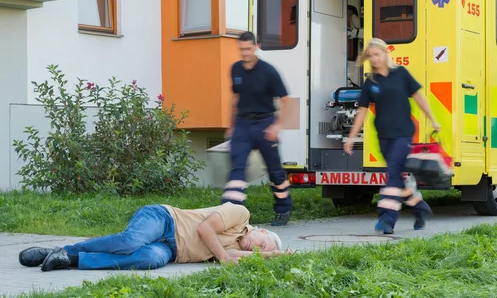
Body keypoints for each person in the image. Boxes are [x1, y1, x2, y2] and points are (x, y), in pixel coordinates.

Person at [344, 38, 441, 234]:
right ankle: (419, 207)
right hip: (384, 135)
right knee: (396, 175)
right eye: (370, 56)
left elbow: (418, 97)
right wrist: (352, 137)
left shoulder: (401, 74)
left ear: (385, 53)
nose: (374, 59)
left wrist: (433, 119)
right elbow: (362, 111)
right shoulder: (370, 82)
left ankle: (386, 219)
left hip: (403, 133)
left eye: (377, 55)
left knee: (392, 174)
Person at [18, 202, 288, 272]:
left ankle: (71, 260)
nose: (254, 248)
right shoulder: (240, 214)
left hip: (170, 251)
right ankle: (64, 250)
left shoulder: (239, 248)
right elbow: (205, 229)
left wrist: (272, 255)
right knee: (131, 241)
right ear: (261, 231)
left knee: (150, 258)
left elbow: (231, 257)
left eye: (258, 250)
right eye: (261, 243)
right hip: (165, 220)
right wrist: (223, 257)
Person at [222, 31, 292, 226]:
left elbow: (286, 102)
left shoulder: (269, 71)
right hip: (243, 125)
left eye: (248, 49)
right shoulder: (235, 69)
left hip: (265, 123)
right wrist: (231, 125)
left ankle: (283, 209)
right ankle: (230, 213)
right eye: (241, 49)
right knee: (237, 167)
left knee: (275, 170)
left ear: (256, 46)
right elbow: (235, 99)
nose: (244, 53)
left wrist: (277, 126)